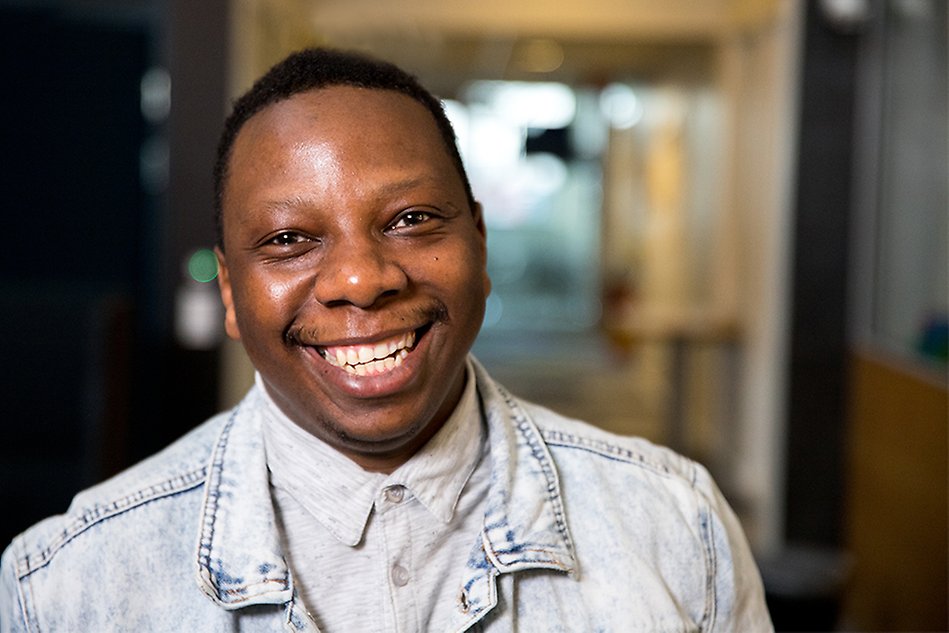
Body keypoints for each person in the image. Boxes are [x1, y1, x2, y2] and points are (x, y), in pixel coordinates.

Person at [0, 48, 772, 632]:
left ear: (479, 244)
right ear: (232, 295)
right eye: (290, 238)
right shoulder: (70, 583)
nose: (362, 279)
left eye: (410, 220)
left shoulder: (674, 526)